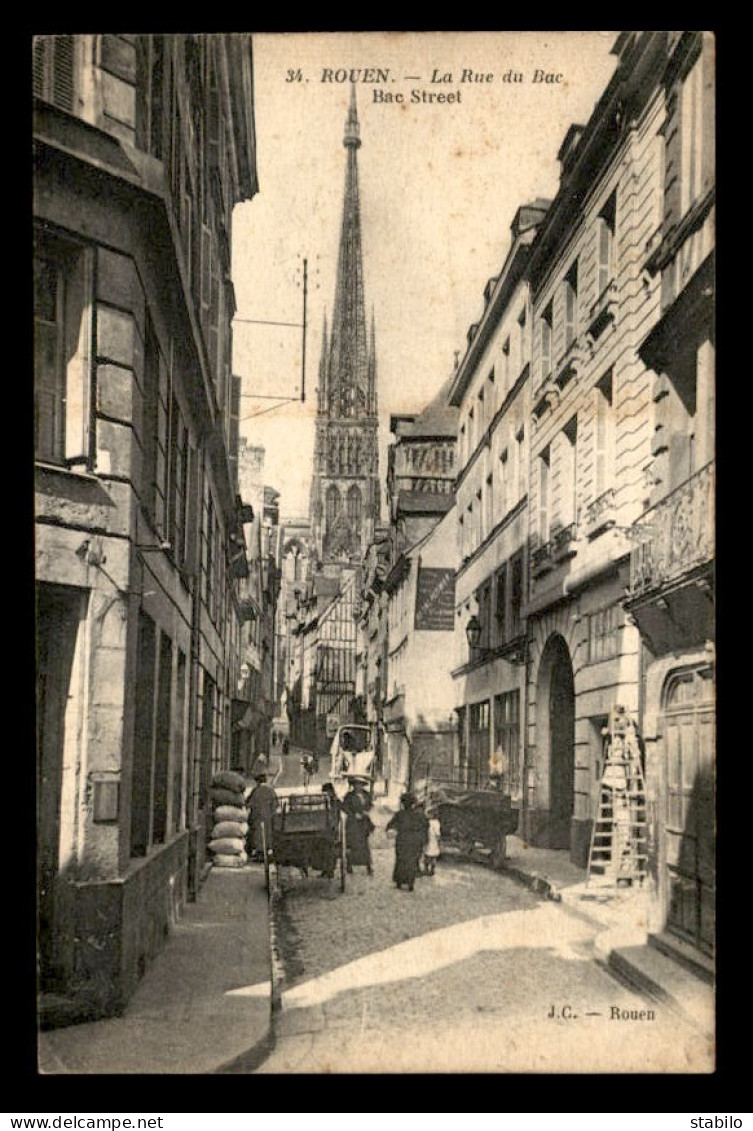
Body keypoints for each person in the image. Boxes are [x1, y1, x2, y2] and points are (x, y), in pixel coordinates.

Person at [386, 792, 428, 892]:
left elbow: (391, 825)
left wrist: (392, 830)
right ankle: (410, 883)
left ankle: (399, 882)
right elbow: (425, 827)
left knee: (401, 860)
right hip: (415, 842)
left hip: (402, 840)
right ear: (413, 804)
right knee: (412, 862)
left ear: (403, 803)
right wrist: (424, 841)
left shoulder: (399, 814)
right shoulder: (420, 816)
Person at [342, 777, 374, 875]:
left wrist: (366, 811)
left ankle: (368, 866)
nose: (358, 786)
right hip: (353, 823)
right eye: (356, 784)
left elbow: (370, 805)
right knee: (352, 844)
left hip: (363, 823)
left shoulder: (366, 795)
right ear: (353, 785)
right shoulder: (348, 796)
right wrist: (354, 814)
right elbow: (345, 808)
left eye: (360, 784)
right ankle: (349, 865)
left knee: (364, 844)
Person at [246, 772, 278, 862]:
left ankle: (259, 852)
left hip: (257, 816)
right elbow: (275, 804)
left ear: (257, 782)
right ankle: (268, 851)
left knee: (257, 834)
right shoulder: (270, 790)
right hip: (268, 817)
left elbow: (249, 803)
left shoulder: (255, 791)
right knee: (268, 834)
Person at [423, 807, 441, 877]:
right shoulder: (436, 822)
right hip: (432, 839)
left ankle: (429, 869)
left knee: (428, 855)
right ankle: (430, 869)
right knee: (431, 855)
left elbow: (437, 833)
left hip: (431, 839)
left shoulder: (433, 822)